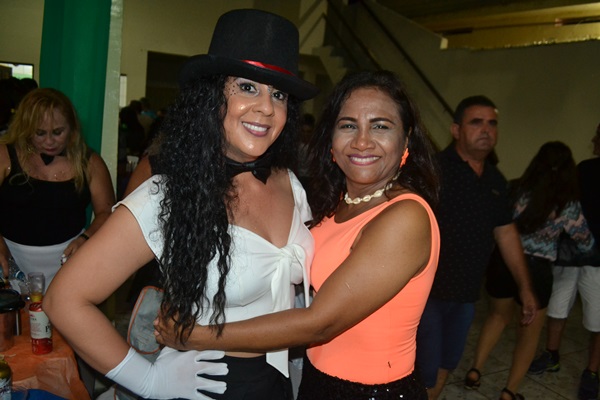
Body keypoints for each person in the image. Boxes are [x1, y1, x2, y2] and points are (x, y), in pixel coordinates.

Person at [45, 9, 319, 400]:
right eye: (247, 87)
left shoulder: (289, 183)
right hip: (205, 384)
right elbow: (64, 300)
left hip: (277, 382)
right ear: (211, 95)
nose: (266, 108)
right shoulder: (169, 195)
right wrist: (148, 381)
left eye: (278, 94)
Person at [154, 70, 441, 399]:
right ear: (331, 139)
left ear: (406, 139)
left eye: (380, 126)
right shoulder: (338, 203)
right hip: (319, 380)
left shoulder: (405, 216)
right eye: (348, 126)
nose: (362, 141)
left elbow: (320, 322)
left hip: (373, 392)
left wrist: (197, 336)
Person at [415, 95, 538, 400]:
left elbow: (506, 233)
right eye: (476, 122)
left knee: (446, 365)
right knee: (423, 372)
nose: (486, 130)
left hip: (466, 296)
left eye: (492, 123)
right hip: (426, 293)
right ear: (456, 130)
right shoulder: (434, 171)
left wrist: (524, 288)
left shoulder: (496, 180)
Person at [465, 141, 594, 400]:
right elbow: (585, 241)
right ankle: (509, 392)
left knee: (497, 317)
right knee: (529, 334)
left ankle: (475, 370)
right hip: (536, 272)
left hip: (503, 263)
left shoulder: (515, 189)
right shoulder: (566, 204)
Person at [0, 87, 115, 286]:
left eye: (58, 132)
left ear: (71, 128)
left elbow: (107, 212)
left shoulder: (90, 162)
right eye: (40, 133)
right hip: (11, 259)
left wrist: (86, 238)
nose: (50, 141)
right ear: (26, 129)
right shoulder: (4, 155)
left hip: (68, 259)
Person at [528, 125, 600, 400]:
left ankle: (592, 371)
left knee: (597, 320)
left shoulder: (584, 168)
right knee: (557, 308)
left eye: (597, 136)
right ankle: (552, 355)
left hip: (596, 260)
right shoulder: (584, 168)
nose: (593, 139)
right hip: (570, 255)